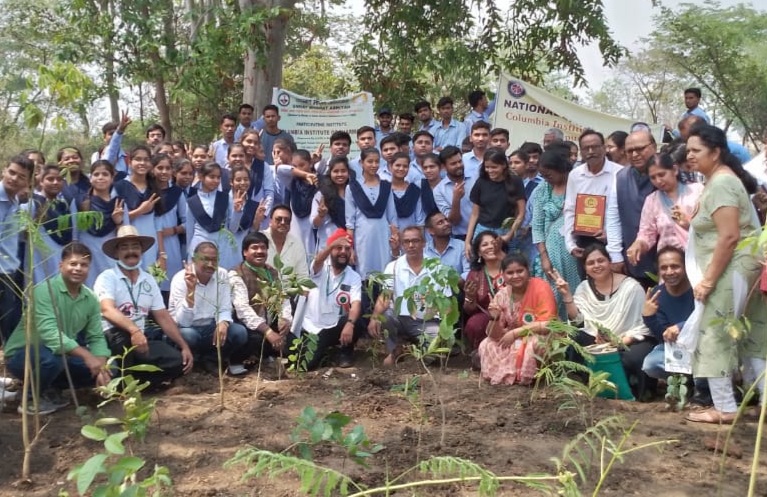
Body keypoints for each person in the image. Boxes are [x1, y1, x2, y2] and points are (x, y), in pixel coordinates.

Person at [683, 124, 765, 423]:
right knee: (752, 334)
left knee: (715, 333)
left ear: (716, 152)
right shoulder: (719, 181)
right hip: (743, 268)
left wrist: (707, 281)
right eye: (688, 150)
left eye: (696, 150)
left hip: (732, 270)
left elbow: (729, 237)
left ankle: (725, 407)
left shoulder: (721, 184)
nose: (689, 156)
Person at [5, 242, 111, 414]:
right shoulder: (43, 291)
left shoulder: (90, 298)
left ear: (89, 268)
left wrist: (101, 366)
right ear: (61, 266)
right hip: (22, 356)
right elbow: (50, 334)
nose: (78, 268)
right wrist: (86, 355)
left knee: (105, 369)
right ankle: (30, 399)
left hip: (61, 355)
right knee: (52, 359)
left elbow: (96, 336)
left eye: (83, 265)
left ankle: (50, 388)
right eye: (73, 264)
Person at [553, 244, 655, 400]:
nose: (596, 266)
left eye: (601, 260)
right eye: (590, 263)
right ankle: (588, 385)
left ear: (609, 262)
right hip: (596, 339)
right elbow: (579, 323)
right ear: (585, 268)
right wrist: (567, 296)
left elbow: (642, 326)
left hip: (628, 339)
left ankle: (635, 392)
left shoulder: (631, 287)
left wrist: (620, 341)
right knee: (574, 341)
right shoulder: (584, 288)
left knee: (636, 357)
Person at [94, 226, 193, 386]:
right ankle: (129, 381)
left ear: (141, 251)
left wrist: (184, 346)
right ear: (116, 253)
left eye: (135, 247)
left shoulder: (148, 280)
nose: (130, 251)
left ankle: (134, 383)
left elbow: (162, 316)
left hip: (140, 340)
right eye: (124, 247)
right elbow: (107, 310)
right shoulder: (107, 277)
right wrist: (134, 330)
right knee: (121, 341)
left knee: (177, 361)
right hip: (112, 337)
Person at [369, 226, 447, 365]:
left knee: (431, 356)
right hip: (400, 319)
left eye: (415, 241)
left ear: (423, 243)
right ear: (403, 244)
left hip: (426, 321)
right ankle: (395, 350)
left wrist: (445, 329)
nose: (411, 245)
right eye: (407, 241)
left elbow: (445, 301)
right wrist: (374, 317)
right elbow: (386, 296)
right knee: (386, 315)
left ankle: (410, 353)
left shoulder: (437, 267)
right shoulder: (393, 266)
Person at [168, 242, 247, 374]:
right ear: (194, 260)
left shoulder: (221, 274)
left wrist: (223, 322)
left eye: (214, 260)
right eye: (205, 259)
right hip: (188, 327)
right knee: (189, 336)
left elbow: (225, 306)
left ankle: (210, 359)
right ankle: (192, 361)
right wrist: (190, 291)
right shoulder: (180, 279)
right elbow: (183, 322)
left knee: (239, 333)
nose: (210, 265)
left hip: (211, 326)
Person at [480, 254, 557, 385]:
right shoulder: (502, 294)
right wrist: (494, 318)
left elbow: (549, 324)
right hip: (513, 338)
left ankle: (531, 377)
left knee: (535, 343)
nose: (515, 276)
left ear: (528, 271)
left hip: (540, 334)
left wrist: (516, 333)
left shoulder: (540, 288)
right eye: (510, 273)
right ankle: (510, 375)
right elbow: (494, 335)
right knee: (486, 344)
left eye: (520, 271)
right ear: (503, 275)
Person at [229, 232, 293, 374]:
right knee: (252, 338)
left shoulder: (272, 272)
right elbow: (242, 309)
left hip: (268, 321)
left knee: (292, 339)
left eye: (263, 248)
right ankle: (237, 362)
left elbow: (283, 299)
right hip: (247, 325)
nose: (259, 251)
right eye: (254, 248)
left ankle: (267, 357)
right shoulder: (236, 274)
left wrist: (285, 320)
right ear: (245, 252)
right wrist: (268, 331)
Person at [300, 228, 363, 369]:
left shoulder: (354, 276)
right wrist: (330, 245)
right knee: (306, 366)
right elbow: (318, 261)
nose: (343, 252)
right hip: (313, 327)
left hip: (335, 326)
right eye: (338, 248)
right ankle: (326, 351)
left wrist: (350, 324)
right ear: (330, 249)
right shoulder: (320, 268)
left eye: (347, 249)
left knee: (357, 320)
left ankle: (345, 351)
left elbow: (356, 303)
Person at [626, 153, 703, 266]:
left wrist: (689, 224)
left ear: (675, 170)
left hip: (698, 258)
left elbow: (712, 225)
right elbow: (647, 233)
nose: (658, 180)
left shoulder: (697, 191)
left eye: (662, 174)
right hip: (669, 263)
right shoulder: (652, 200)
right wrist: (639, 244)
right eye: (653, 177)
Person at [563, 129, 623, 274]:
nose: (591, 151)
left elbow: (624, 211)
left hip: (611, 241)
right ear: (581, 152)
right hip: (584, 242)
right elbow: (570, 209)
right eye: (586, 148)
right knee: (588, 287)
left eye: (595, 147)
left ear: (604, 148)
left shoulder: (620, 173)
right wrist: (570, 243)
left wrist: (609, 233)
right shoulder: (575, 175)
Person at [533, 148, 579, 319]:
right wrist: (544, 257)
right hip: (550, 254)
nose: (546, 178)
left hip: (573, 253)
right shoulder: (542, 190)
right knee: (551, 296)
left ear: (561, 168)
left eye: (549, 174)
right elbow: (537, 226)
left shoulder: (578, 183)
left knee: (572, 293)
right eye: (543, 175)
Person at [640, 247, 695, 385]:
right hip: (674, 348)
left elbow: (706, 320)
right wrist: (649, 317)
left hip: (701, 346)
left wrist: (682, 326)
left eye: (675, 266)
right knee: (650, 364)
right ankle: (687, 382)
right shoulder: (656, 295)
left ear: (685, 267)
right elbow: (662, 337)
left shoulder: (698, 289)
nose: (669, 272)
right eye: (664, 268)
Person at [345, 148, 398, 279]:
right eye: (370, 161)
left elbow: (392, 217)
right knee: (363, 272)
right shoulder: (353, 187)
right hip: (362, 236)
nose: (374, 165)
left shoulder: (386, 186)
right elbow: (350, 222)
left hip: (383, 235)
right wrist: (350, 248)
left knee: (385, 272)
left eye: (377, 161)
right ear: (361, 163)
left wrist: (395, 238)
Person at [618, 130, 659, 287]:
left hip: (669, 260)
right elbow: (613, 217)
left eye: (640, 149)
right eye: (630, 151)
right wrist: (616, 256)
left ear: (654, 147)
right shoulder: (620, 177)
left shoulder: (669, 174)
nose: (635, 154)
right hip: (633, 259)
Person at [465, 149, 525, 255]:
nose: (490, 170)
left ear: (503, 166)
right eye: (487, 167)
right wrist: (467, 241)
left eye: (494, 167)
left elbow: (521, 213)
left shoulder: (515, 181)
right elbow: (474, 214)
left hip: (506, 230)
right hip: (483, 229)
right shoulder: (481, 182)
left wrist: (509, 235)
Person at [25, 165, 77, 284]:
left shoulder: (64, 206)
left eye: (59, 179)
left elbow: (73, 235)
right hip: (40, 261)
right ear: (41, 182)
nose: (55, 182)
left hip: (62, 258)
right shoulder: (33, 203)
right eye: (50, 179)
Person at [185, 162, 243, 266]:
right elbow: (189, 231)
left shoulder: (225, 198)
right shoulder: (192, 201)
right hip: (199, 245)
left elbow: (232, 229)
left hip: (222, 247)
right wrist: (190, 255)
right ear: (201, 177)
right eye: (212, 177)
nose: (216, 181)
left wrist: (237, 213)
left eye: (218, 177)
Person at [114, 145, 162, 268]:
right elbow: (116, 219)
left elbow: (157, 222)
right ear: (130, 162)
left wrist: (161, 253)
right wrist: (140, 211)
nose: (142, 163)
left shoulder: (153, 187)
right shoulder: (120, 186)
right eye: (138, 159)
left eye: (146, 160)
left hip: (150, 242)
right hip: (128, 241)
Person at [77, 160, 123, 287]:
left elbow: (124, 235)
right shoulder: (80, 202)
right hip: (87, 254)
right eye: (96, 174)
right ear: (90, 178)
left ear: (112, 178)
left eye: (105, 174)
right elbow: (75, 233)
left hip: (110, 255)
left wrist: (118, 222)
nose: (100, 178)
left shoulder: (119, 204)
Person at [463, 231, 506, 353]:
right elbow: (469, 309)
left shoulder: (511, 267)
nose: (490, 247)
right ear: (478, 252)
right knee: (474, 324)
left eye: (493, 243)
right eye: (484, 244)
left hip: (513, 313)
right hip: (488, 316)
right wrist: (470, 297)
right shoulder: (475, 274)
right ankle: (481, 354)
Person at [152, 154, 187, 294]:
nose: (164, 172)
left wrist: (173, 230)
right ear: (152, 169)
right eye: (160, 168)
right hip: (149, 243)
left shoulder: (177, 193)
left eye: (167, 168)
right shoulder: (147, 192)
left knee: (169, 286)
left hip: (170, 246)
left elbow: (187, 223)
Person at [434, 146, 476, 240]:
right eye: (453, 164)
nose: (458, 165)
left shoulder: (475, 177)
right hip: (460, 236)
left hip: (481, 231)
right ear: (444, 167)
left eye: (460, 161)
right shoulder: (439, 190)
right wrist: (456, 199)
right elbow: (454, 221)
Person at [262, 204, 309, 278]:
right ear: (270, 221)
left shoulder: (296, 244)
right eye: (278, 219)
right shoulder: (260, 239)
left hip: (289, 288)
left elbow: (303, 276)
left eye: (287, 220)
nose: (283, 222)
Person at [313, 156, 349, 251]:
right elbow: (314, 224)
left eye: (343, 171)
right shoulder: (322, 194)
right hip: (327, 242)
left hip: (349, 243)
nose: (340, 174)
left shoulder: (355, 193)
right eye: (336, 171)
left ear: (349, 173)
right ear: (330, 173)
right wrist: (321, 215)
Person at [423, 211, 469, 277]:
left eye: (446, 220)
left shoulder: (462, 246)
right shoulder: (424, 251)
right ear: (431, 231)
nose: (447, 224)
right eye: (440, 222)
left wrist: (450, 282)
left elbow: (468, 274)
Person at [390, 152, 425, 232]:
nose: (401, 169)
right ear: (391, 166)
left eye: (405, 166)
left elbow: (419, 219)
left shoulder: (414, 190)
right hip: (390, 236)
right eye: (398, 165)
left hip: (411, 237)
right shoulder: (384, 189)